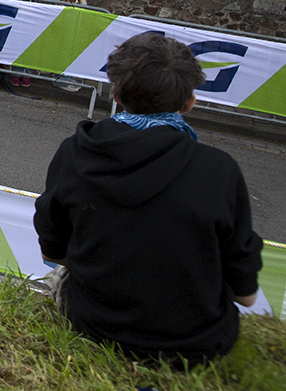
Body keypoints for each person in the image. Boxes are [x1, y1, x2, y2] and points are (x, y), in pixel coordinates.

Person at [34, 32, 262, 367]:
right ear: (189, 103)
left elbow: (53, 252)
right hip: (197, 344)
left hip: (90, 323)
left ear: (115, 92)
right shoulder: (220, 170)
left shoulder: (75, 151)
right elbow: (246, 294)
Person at [2, 0, 41, 87]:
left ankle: (27, 73)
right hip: (16, 16)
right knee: (16, 45)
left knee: (28, 45)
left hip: (30, 16)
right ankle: (15, 72)